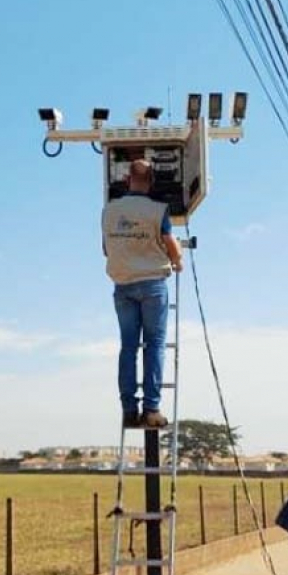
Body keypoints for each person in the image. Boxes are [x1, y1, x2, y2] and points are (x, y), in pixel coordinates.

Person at [102, 159, 183, 428]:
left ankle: (128, 409)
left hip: (123, 285)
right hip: (152, 285)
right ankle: (151, 408)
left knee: (128, 348)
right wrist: (177, 260)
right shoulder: (158, 210)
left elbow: (106, 249)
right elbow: (171, 244)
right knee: (155, 345)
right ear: (151, 183)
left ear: (127, 181)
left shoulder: (109, 211)